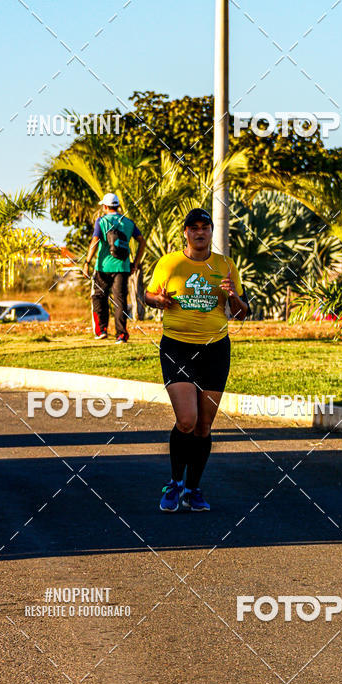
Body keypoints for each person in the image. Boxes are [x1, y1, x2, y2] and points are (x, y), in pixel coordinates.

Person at [145, 208, 250, 513]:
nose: (200, 232)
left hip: (215, 349)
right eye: (194, 228)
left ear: (211, 232)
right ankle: (175, 484)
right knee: (187, 420)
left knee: (204, 426)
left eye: (205, 227)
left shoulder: (225, 265)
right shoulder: (169, 262)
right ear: (186, 232)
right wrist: (158, 300)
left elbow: (242, 313)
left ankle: (193, 488)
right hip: (177, 347)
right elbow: (149, 295)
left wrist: (232, 297)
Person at [82, 192, 146, 343]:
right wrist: (135, 263)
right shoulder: (129, 223)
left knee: (98, 297)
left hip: (103, 267)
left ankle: (102, 330)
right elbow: (142, 242)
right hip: (122, 268)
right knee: (120, 301)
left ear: (105, 206)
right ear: (117, 206)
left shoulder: (101, 221)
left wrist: (87, 262)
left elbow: (95, 242)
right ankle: (121, 335)